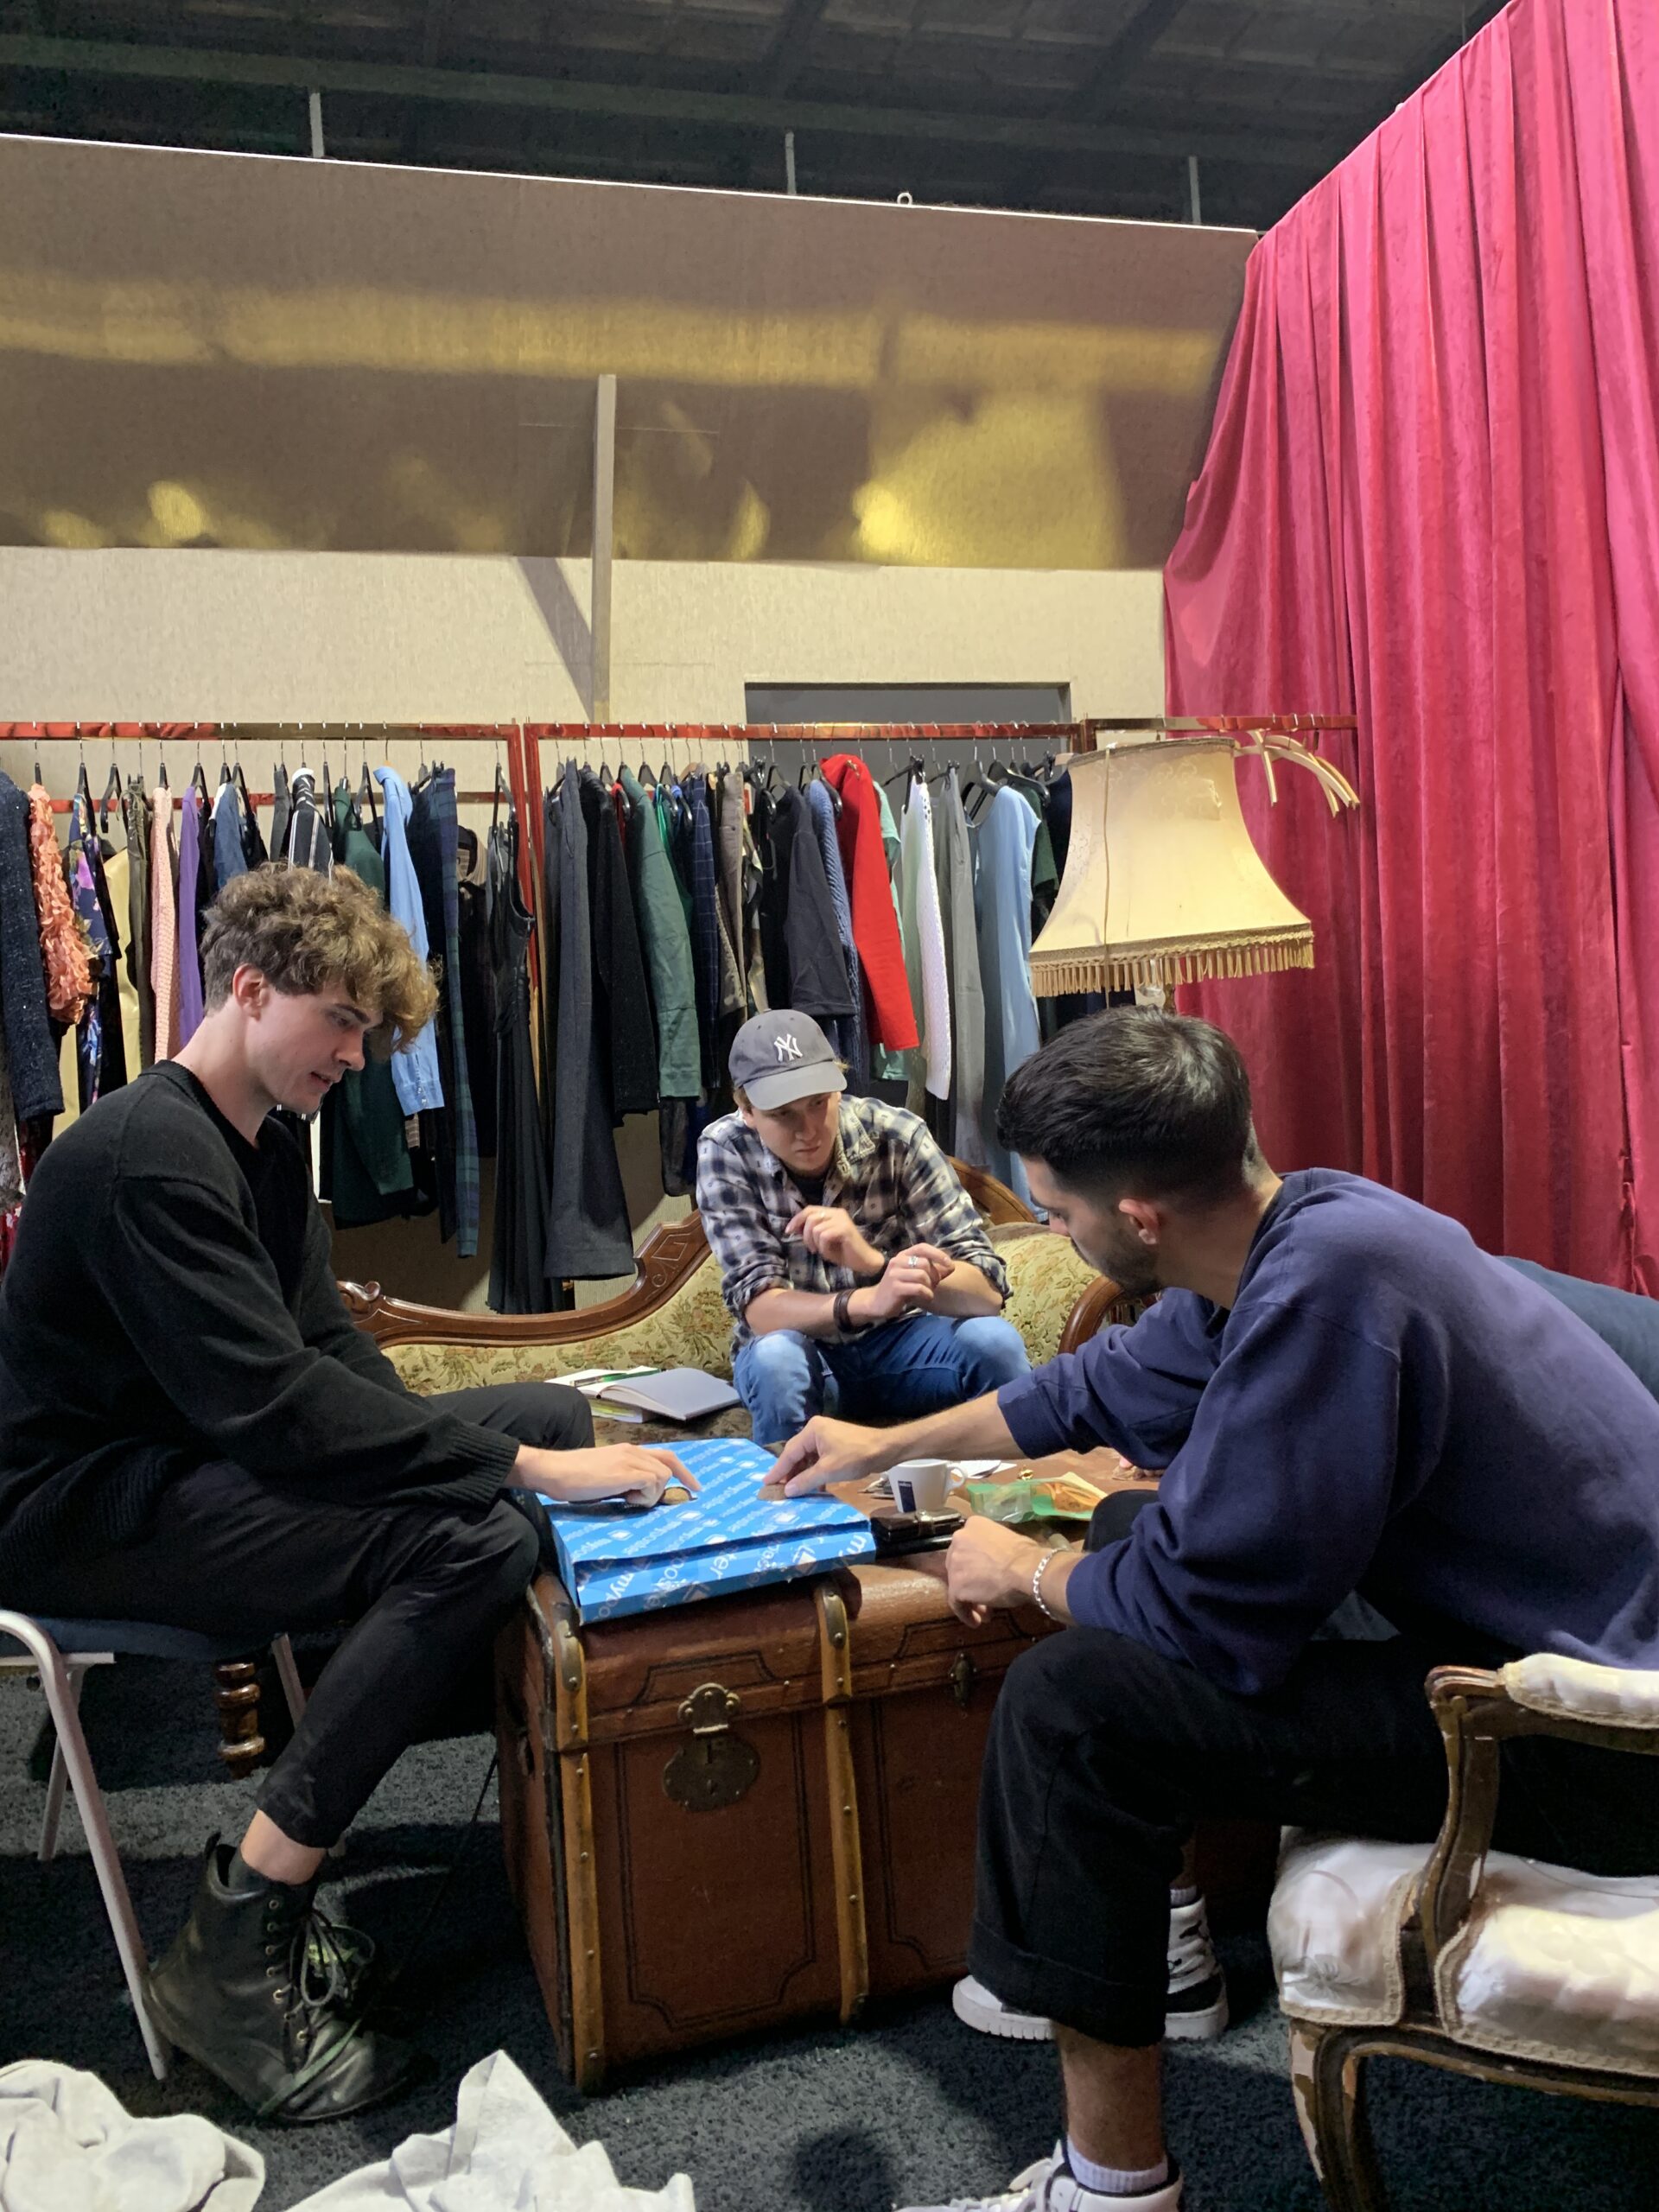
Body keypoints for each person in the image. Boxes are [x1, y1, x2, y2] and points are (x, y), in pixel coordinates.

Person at [765, 1007, 1659, 2212]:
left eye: (1060, 1213)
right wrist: (883, 1445)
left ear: (1138, 1218)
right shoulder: (1303, 1226)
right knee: (1126, 1531)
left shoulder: (1323, 1300)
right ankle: (1163, 1942)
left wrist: (1022, 1571)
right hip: (1529, 1641)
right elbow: (1093, 1386)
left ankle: (1110, 2191)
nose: (1058, 1233)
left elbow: (1199, 1612)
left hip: (1596, 1735)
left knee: (1077, 1707)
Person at [0, 864, 693, 2123]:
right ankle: (243, 1923)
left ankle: (540, 1772)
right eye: (342, 1023)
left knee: (539, 1414)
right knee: (477, 1535)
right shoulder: (145, 1157)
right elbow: (273, 1406)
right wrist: (517, 1473)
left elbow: (326, 1352)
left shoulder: (263, 1145)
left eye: (368, 1032)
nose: (359, 1058)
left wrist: (489, 1445)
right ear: (249, 990)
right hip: (83, 1510)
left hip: (193, 1454)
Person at [696, 1008, 1029, 1448]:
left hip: (904, 1345)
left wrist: (876, 1264)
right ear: (747, 1112)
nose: (808, 1130)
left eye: (818, 1102)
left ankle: (1018, 1483)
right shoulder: (726, 1150)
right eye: (783, 1114)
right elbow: (760, 1309)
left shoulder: (899, 1135)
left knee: (996, 1343)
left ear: (838, 1088)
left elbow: (985, 1293)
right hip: (803, 1353)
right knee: (777, 1358)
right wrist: (868, 1301)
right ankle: (794, 1490)